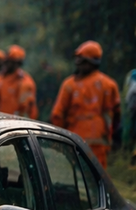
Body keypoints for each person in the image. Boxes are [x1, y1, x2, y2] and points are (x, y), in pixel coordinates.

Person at [51, 40, 121, 169]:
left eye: (82, 60)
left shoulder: (69, 85)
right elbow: (117, 116)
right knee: (97, 180)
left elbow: (57, 115)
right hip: (98, 144)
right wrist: (115, 138)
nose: (78, 63)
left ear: (92, 63)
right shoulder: (109, 85)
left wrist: (58, 141)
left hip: (74, 143)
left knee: (76, 178)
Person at [0, 45, 38, 119]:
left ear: (17, 63)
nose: (6, 64)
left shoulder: (25, 83)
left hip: (14, 126)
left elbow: (27, 110)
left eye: (9, 61)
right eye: (6, 60)